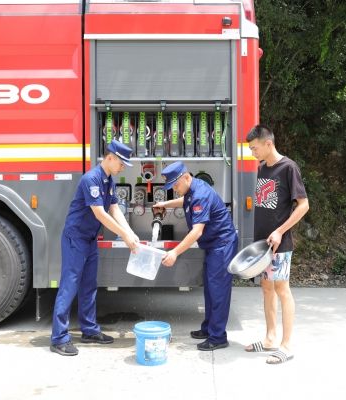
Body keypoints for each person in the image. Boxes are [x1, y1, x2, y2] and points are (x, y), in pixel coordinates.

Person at [50, 140, 140, 356]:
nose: (123, 168)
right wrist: (124, 235)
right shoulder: (91, 179)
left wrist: (131, 232)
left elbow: (114, 209)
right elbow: (100, 214)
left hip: (90, 239)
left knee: (89, 285)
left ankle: (89, 330)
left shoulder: (109, 181)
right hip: (76, 238)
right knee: (70, 285)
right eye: (121, 163)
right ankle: (58, 338)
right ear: (110, 158)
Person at [153, 161, 238, 351]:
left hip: (222, 245)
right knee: (210, 290)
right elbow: (185, 201)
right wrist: (165, 204)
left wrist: (175, 252)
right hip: (213, 245)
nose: (174, 189)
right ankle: (209, 329)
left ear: (185, 177)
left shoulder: (200, 194)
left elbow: (197, 232)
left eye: (175, 185)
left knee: (218, 292)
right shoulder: (192, 188)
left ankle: (218, 337)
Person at [244, 125, 309, 365]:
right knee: (266, 288)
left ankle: (286, 345)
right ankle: (270, 339)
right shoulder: (262, 168)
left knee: (282, 288)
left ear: (268, 143)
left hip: (280, 242)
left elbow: (303, 205)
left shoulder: (288, 168)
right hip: (262, 244)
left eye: (254, 148)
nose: (252, 153)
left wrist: (280, 231)